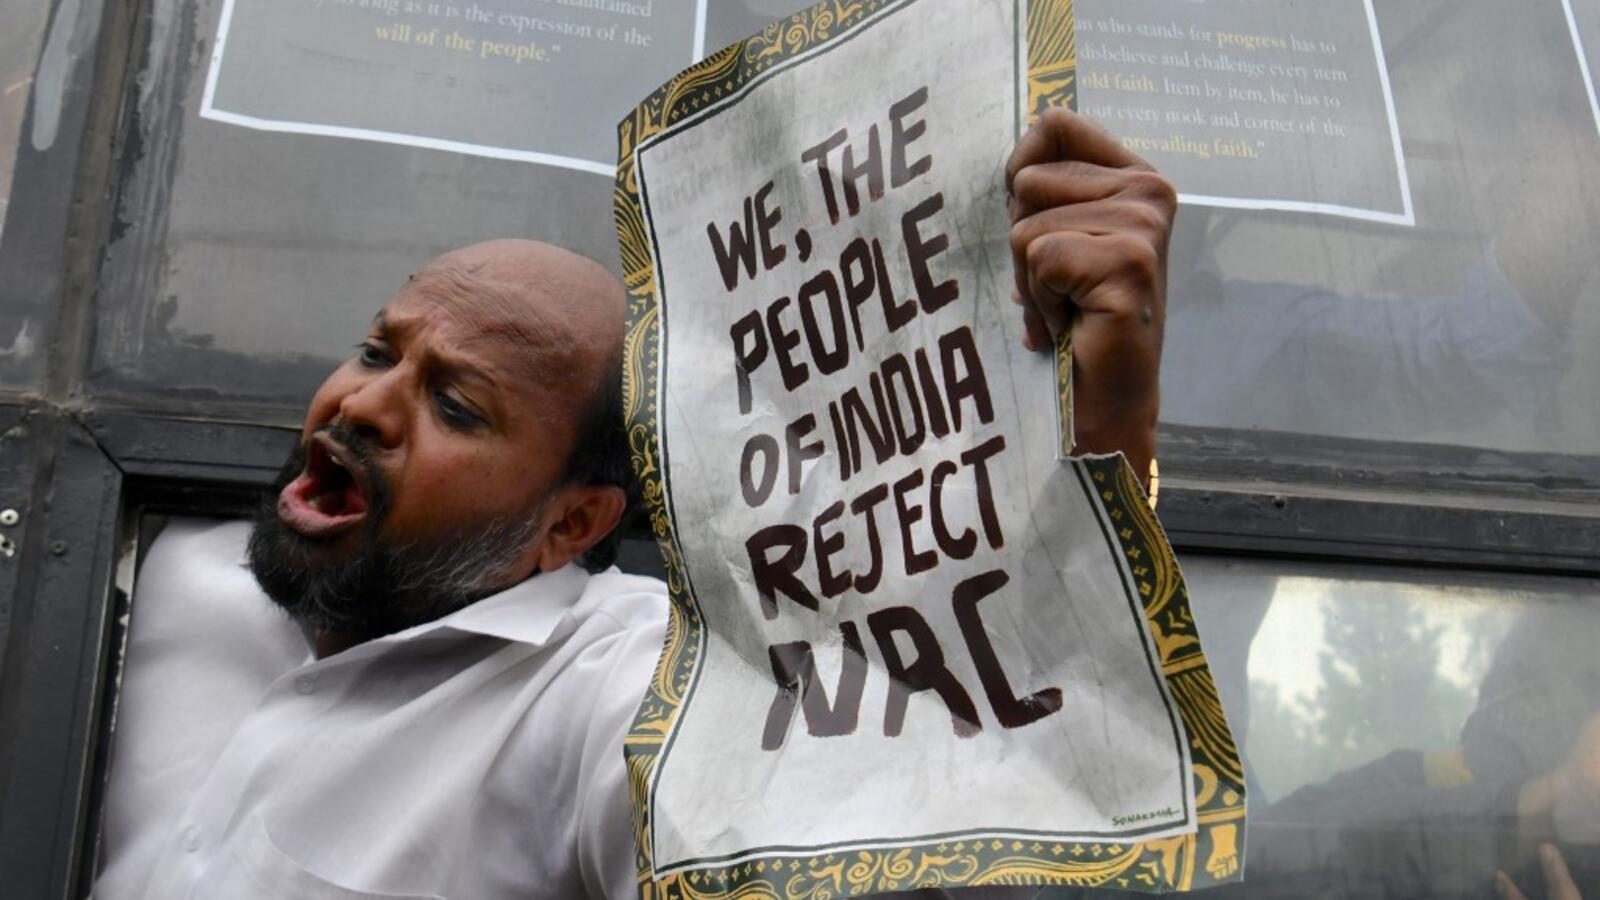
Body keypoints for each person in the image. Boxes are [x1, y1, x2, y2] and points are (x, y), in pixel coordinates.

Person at [92, 108, 1175, 899]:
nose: (364, 403)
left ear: (573, 525)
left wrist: (1100, 425)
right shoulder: (154, 572)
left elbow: (875, 811)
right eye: (379, 349)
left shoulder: (620, 692)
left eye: (457, 406)